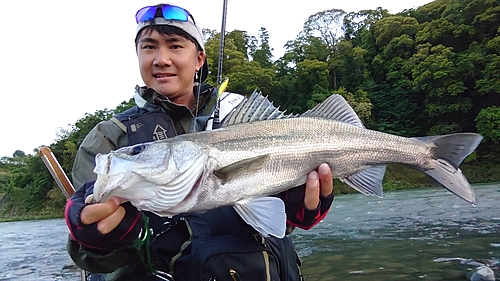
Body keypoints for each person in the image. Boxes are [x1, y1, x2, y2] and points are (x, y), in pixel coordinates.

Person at [65, 3, 335, 281]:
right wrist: (95, 237)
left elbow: (273, 223)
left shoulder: (242, 119)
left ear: (199, 59)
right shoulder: (109, 138)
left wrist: (295, 211)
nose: (161, 59)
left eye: (175, 46)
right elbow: (95, 261)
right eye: (148, 47)